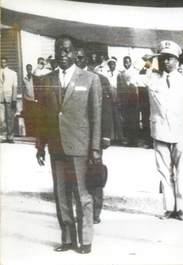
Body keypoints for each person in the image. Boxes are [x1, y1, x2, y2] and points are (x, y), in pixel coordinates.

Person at [34, 35, 102, 253]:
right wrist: (40, 145)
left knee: (83, 194)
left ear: (74, 53)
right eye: (59, 50)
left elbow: (96, 117)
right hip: (56, 145)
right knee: (61, 194)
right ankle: (67, 238)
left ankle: (86, 239)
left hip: (81, 146)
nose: (62, 55)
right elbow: (43, 116)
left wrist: (95, 148)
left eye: (67, 50)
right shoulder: (47, 80)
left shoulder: (90, 79)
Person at [142, 40, 183, 220]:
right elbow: (133, 78)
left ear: (178, 60)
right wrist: (148, 61)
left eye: (171, 58)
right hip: (160, 130)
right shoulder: (152, 78)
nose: (167, 62)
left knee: (181, 172)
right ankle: (169, 207)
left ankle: (182, 208)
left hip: (179, 132)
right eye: (163, 58)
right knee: (164, 171)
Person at [76, 47, 112, 224]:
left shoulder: (99, 79)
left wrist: (105, 135)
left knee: (94, 175)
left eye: (81, 58)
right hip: (74, 137)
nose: (78, 61)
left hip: (93, 137)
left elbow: (106, 110)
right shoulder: (67, 79)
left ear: (87, 60)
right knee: (76, 176)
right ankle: (83, 212)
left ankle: (95, 213)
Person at [117, 56, 139, 146]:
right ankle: (129, 140)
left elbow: (136, 85)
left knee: (134, 120)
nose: (127, 63)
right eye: (125, 62)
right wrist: (120, 99)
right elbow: (119, 87)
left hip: (133, 98)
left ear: (130, 62)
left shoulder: (135, 72)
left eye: (128, 62)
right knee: (126, 120)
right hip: (124, 99)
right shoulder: (120, 74)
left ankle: (135, 141)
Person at [0, 57, 18, 143]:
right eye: (1, 62)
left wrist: (14, 99)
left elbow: (14, 86)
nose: (3, 63)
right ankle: (3, 136)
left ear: (7, 63)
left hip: (9, 97)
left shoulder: (12, 73)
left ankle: (10, 137)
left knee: (9, 118)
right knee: (1, 118)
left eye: (4, 62)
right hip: (0, 98)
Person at [21, 64, 39, 137]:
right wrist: (23, 101)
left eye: (30, 68)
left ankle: (35, 133)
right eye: (27, 69)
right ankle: (29, 133)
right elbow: (23, 90)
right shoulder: (24, 79)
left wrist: (37, 98)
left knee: (34, 117)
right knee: (28, 117)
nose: (29, 70)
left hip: (34, 100)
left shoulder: (35, 78)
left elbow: (37, 89)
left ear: (31, 69)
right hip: (27, 100)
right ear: (26, 69)